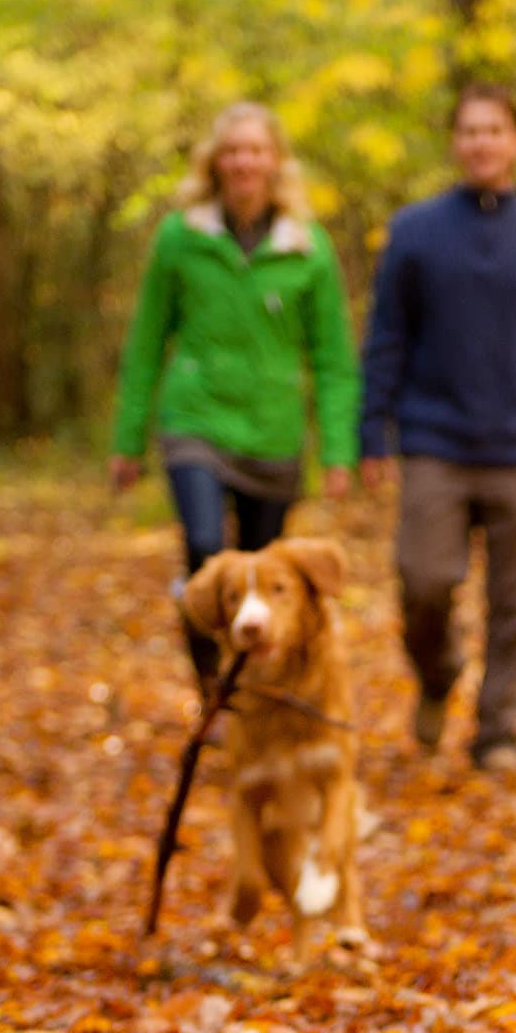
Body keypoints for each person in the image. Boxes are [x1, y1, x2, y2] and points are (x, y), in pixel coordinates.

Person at [359, 84, 516, 773]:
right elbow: (387, 339)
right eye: (469, 131)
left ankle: (498, 730)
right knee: (423, 580)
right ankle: (438, 675)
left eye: (494, 130)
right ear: (455, 143)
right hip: (434, 441)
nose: (481, 142)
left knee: (515, 601)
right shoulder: (415, 232)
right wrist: (373, 431)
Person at [112, 103, 357, 686]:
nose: (244, 161)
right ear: (215, 162)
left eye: (256, 150)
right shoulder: (180, 237)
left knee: (265, 576)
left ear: (275, 161)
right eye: (233, 150)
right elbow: (147, 342)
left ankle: (254, 687)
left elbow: (333, 360)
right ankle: (210, 688)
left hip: (273, 429)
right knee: (204, 549)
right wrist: (127, 439)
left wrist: (338, 451)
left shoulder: (308, 247)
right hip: (195, 417)